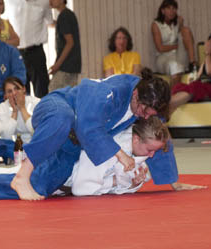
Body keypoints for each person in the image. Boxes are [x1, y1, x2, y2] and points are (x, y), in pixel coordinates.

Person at [0, 116, 206, 200]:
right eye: (149, 149)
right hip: (60, 172)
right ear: (135, 139)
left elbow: (116, 185)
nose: (151, 156)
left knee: (5, 176)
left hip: (63, 180)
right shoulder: (111, 145)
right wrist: (121, 181)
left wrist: (133, 182)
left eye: (154, 152)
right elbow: (87, 189)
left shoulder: (138, 152)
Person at [10, 68, 172, 200]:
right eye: (144, 111)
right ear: (136, 95)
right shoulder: (111, 92)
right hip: (58, 106)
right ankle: (22, 175)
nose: (145, 117)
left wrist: (172, 180)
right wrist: (120, 154)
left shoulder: (144, 105)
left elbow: (157, 133)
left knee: (41, 185)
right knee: (63, 118)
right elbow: (87, 126)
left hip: (71, 143)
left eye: (150, 114)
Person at [6, 0, 53, 98]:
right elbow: (5, 23)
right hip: (17, 53)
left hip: (36, 51)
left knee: (41, 90)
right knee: (20, 91)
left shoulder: (44, 2)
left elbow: (50, 22)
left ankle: (42, 117)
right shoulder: (10, 2)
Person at [169, 33, 211, 114]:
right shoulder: (206, 62)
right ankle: (170, 107)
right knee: (179, 86)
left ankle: (169, 107)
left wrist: (208, 53)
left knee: (196, 86)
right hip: (203, 90)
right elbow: (197, 78)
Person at [151, 0, 196, 86]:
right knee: (174, 66)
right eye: (169, 8)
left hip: (179, 56)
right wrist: (176, 46)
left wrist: (181, 25)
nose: (172, 11)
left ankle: (192, 64)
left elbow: (189, 41)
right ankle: (174, 94)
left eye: (174, 9)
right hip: (164, 58)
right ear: (163, 11)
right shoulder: (156, 24)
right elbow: (160, 48)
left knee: (186, 30)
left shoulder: (177, 23)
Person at [47, 0, 81, 92]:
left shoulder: (64, 16)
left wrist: (57, 65)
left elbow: (70, 42)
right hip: (72, 65)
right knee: (69, 93)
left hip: (66, 66)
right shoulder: (68, 14)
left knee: (54, 91)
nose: (50, 1)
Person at [0, 76, 40, 144]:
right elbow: (5, 136)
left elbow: (36, 131)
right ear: (5, 95)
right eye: (9, 91)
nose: (14, 93)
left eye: (17, 89)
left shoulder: (36, 102)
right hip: (14, 145)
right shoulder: (2, 107)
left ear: (24, 89)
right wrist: (15, 111)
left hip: (35, 143)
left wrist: (22, 108)